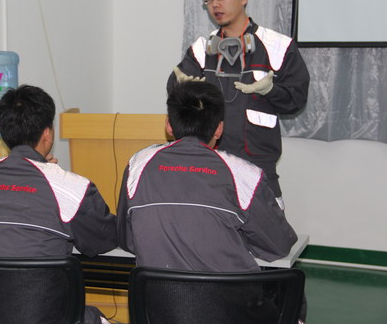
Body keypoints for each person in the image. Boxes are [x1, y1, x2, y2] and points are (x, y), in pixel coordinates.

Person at [0, 84, 117, 324]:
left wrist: (43, 170)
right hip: (49, 317)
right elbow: (104, 239)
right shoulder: (69, 186)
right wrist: (49, 173)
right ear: (47, 134)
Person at [117, 81, 297, 272]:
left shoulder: (137, 165)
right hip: (229, 291)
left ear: (168, 125)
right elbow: (279, 245)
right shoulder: (244, 175)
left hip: (156, 291)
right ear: (219, 129)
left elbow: (127, 239)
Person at [167, 0, 309, 205]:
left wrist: (270, 90)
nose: (215, 4)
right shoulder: (201, 49)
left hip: (258, 166)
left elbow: (297, 99)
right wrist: (179, 87)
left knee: (268, 226)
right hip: (208, 165)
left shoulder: (277, 46)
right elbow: (176, 90)